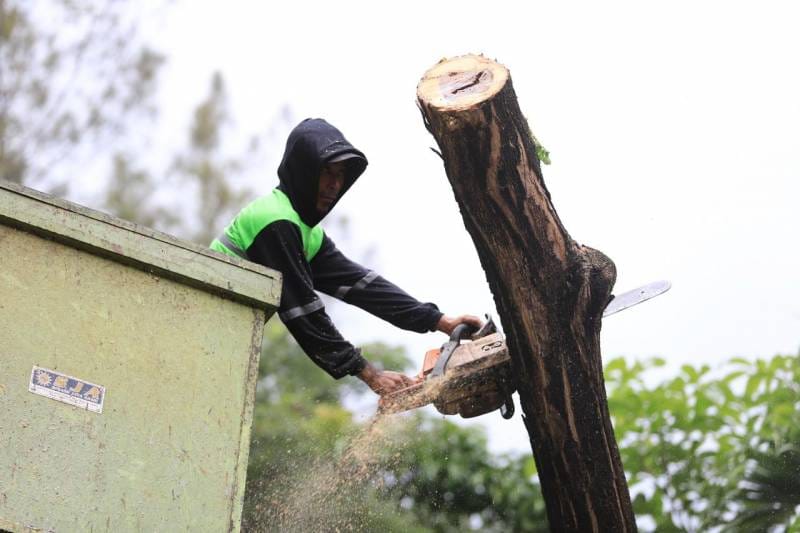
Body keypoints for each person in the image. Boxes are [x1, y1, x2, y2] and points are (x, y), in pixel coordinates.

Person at [211, 118, 481, 396]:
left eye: (340, 175)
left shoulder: (305, 231)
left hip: (223, 341)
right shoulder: (275, 222)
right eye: (326, 172)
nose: (334, 185)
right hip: (200, 327)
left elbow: (361, 286)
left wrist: (438, 320)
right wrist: (369, 374)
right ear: (303, 171)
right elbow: (303, 313)